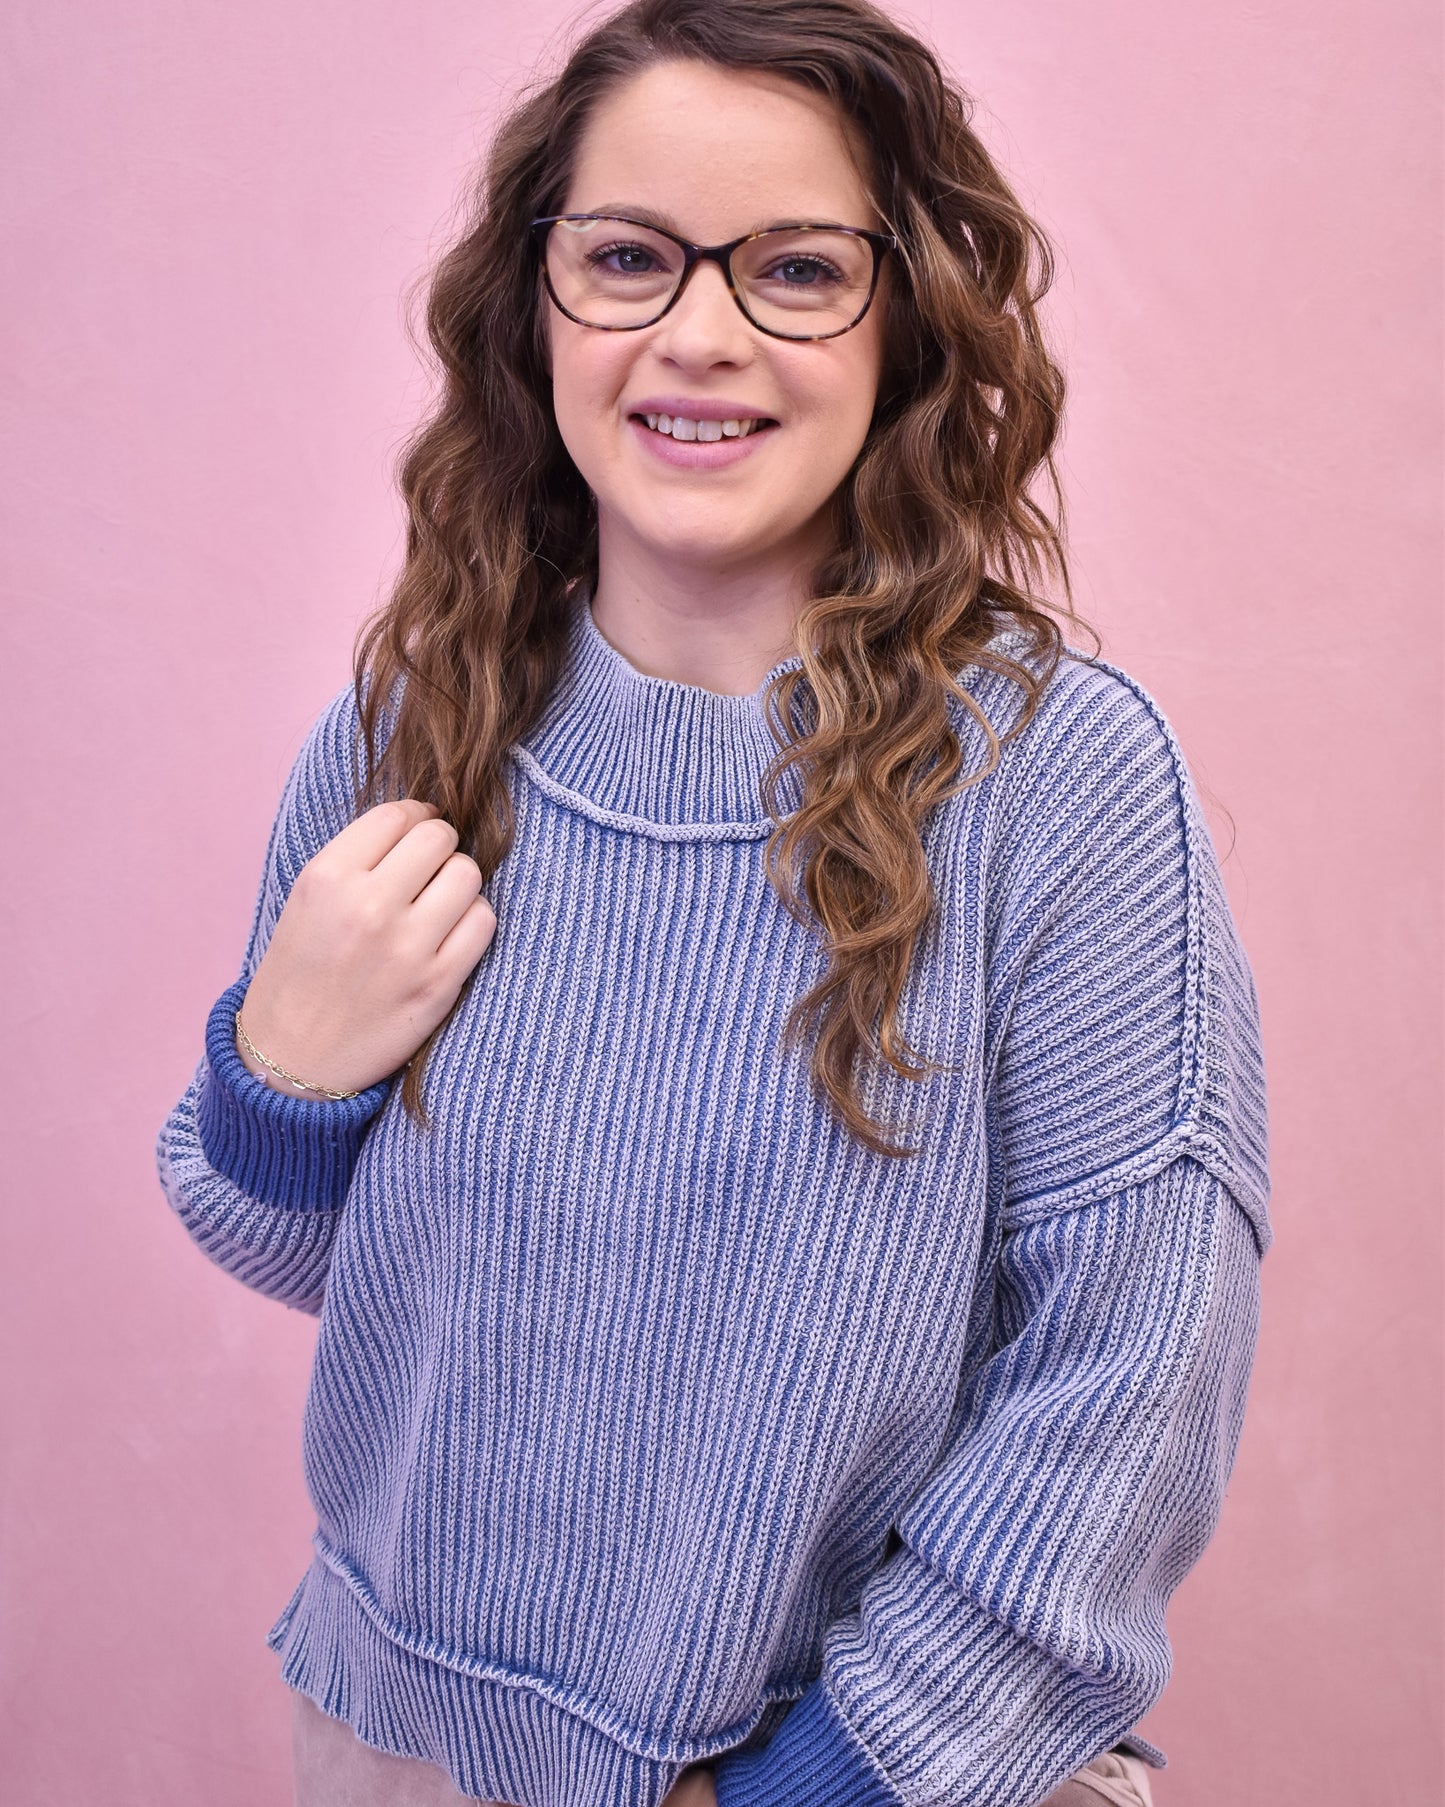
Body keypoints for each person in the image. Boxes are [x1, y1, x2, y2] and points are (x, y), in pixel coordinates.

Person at [154, 1, 1273, 1803]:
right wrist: (276, 1076)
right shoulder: (414, 727)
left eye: (796, 270)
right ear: (536, 303)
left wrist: (814, 1786)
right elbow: (329, 1268)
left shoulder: (1055, 779)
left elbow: (1130, 1381)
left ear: (904, 321)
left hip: (866, 1778)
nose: (698, 334)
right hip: (399, 1745)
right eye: (628, 258)